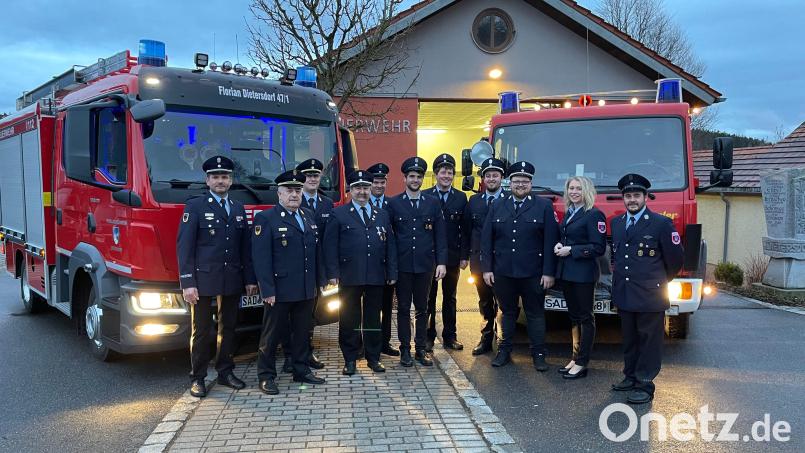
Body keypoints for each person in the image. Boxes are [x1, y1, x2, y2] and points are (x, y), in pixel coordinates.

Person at [177, 155, 258, 398]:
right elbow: (185, 247)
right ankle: (198, 377)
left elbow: (245, 249)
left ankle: (225, 371)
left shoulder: (238, 208)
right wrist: (188, 283)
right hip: (202, 280)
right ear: (207, 180)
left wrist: (250, 279)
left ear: (231, 180)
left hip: (231, 278)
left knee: (229, 328)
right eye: (216, 177)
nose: (220, 181)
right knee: (201, 331)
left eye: (224, 177)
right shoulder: (195, 206)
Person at [610, 173, 684, 404]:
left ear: (645, 197)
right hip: (625, 292)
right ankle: (630, 376)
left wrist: (659, 281)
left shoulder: (661, 224)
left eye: (636, 195)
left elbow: (675, 260)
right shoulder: (618, 223)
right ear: (623, 198)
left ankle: (645, 384)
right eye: (628, 195)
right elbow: (618, 258)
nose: (632, 199)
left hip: (651, 294)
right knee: (630, 340)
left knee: (649, 342)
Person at [252, 169, 327, 395]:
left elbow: (316, 252)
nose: (294, 195)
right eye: (289, 191)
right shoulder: (266, 219)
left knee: (302, 332)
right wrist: (267, 289)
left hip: (305, 288)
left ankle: (301, 370)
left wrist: (319, 281)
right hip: (279, 290)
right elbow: (261, 258)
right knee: (271, 335)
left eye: (297, 190)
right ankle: (266, 376)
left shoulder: (306, 216)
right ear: (279, 193)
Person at [480, 161, 559, 370]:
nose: (520, 185)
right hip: (503, 271)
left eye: (525, 181)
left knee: (535, 313)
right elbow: (487, 239)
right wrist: (487, 268)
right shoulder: (498, 204)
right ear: (509, 183)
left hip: (533, 273)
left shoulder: (543, 206)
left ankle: (539, 354)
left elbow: (550, 241)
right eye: (516, 181)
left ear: (531, 183)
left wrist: (548, 272)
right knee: (507, 313)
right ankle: (504, 351)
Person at [325, 170, 398, 375]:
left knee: (373, 318)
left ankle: (373, 358)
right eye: (358, 188)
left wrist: (392, 271)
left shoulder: (381, 214)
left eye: (365, 187)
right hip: (349, 275)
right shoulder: (338, 214)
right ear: (350, 190)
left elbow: (390, 245)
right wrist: (332, 273)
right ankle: (350, 359)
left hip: (376, 275)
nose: (362, 192)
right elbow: (330, 247)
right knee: (349, 318)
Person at [387, 157, 447, 367]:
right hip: (403, 266)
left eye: (418, 176)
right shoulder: (393, 203)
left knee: (423, 308)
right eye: (411, 176)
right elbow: (390, 238)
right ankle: (405, 350)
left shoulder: (432, 202)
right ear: (404, 178)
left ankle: (421, 349)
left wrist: (441, 263)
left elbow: (440, 235)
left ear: (423, 178)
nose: (415, 180)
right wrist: (391, 267)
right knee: (403, 309)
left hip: (425, 265)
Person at [276, 158, 332, 372]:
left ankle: (307, 352)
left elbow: (327, 241)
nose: (312, 179)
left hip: (316, 269)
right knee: (290, 318)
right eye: (308, 176)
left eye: (316, 175)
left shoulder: (326, 203)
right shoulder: (295, 201)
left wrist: (326, 273)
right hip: (294, 271)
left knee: (310, 317)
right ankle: (291, 356)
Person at [554, 176, 607, 380]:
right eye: (571, 188)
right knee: (574, 317)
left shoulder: (594, 214)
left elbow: (598, 248)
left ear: (586, 191)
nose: (574, 192)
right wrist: (559, 245)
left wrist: (571, 250)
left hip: (584, 274)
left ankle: (583, 362)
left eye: (578, 188)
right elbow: (566, 237)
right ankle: (575, 358)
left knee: (586, 318)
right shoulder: (570, 213)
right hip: (568, 273)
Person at [462, 157, 506, 355]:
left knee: (505, 303)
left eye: (495, 175)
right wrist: (464, 256)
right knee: (485, 302)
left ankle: (504, 341)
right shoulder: (474, 201)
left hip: (503, 262)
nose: (491, 179)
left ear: (501, 178)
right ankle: (486, 339)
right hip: (479, 261)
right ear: (483, 179)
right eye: (488, 175)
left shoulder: (509, 200)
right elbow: (467, 231)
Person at [425, 153, 467, 352]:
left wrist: (465, 256)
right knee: (429, 298)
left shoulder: (461, 197)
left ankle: (450, 336)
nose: (447, 176)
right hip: (430, 258)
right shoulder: (426, 195)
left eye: (450, 172)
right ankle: (428, 337)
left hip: (452, 256)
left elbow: (465, 229)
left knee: (450, 298)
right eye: (443, 172)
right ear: (436, 174)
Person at [366, 162, 399, 357]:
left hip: (386, 268)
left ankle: (384, 343)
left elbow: (394, 238)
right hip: (367, 269)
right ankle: (367, 344)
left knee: (387, 308)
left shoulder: (391, 204)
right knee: (369, 310)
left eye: (382, 182)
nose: (379, 186)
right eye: (376, 182)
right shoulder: (361, 202)